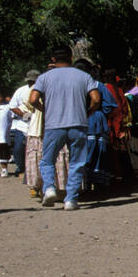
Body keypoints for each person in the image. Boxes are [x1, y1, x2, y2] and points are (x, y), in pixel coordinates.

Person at [29, 47, 101, 210]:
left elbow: (33, 99)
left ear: (53, 60)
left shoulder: (44, 77)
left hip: (54, 125)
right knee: (77, 162)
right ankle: (71, 200)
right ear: (71, 57)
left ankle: (49, 188)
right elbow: (96, 99)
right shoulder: (84, 76)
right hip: (78, 124)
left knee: (47, 160)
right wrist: (87, 112)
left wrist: (44, 110)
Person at [78, 61, 118, 195]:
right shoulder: (97, 85)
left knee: (82, 153)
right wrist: (100, 113)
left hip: (77, 121)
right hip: (96, 120)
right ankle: (97, 182)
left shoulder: (73, 85)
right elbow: (110, 104)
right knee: (98, 152)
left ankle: (83, 183)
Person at [8, 70, 40, 178]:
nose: (32, 83)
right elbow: (12, 106)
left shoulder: (42, 90)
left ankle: (32, 171)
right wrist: (23, 115)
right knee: (18, 148)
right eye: (30, 81)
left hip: (38, 124)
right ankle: (20, 168)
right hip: (23, 125)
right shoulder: (21, 90)